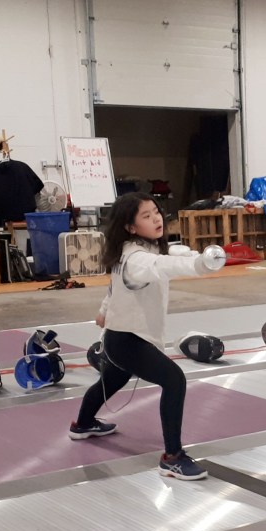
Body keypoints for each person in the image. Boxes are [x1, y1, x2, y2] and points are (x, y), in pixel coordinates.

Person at [71, 192, 225, 480]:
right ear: (130, 227)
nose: (156, 218)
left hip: (120, 336)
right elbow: (162, 266)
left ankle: (82, 424)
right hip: (128, 340)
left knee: (113, 380)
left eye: (156, 212)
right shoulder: (138, 259)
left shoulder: (135, 251)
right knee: (174, 379)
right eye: (146, 215)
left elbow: (115, 287)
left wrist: (104, 310)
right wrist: (200, 265)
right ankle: (172, 457)